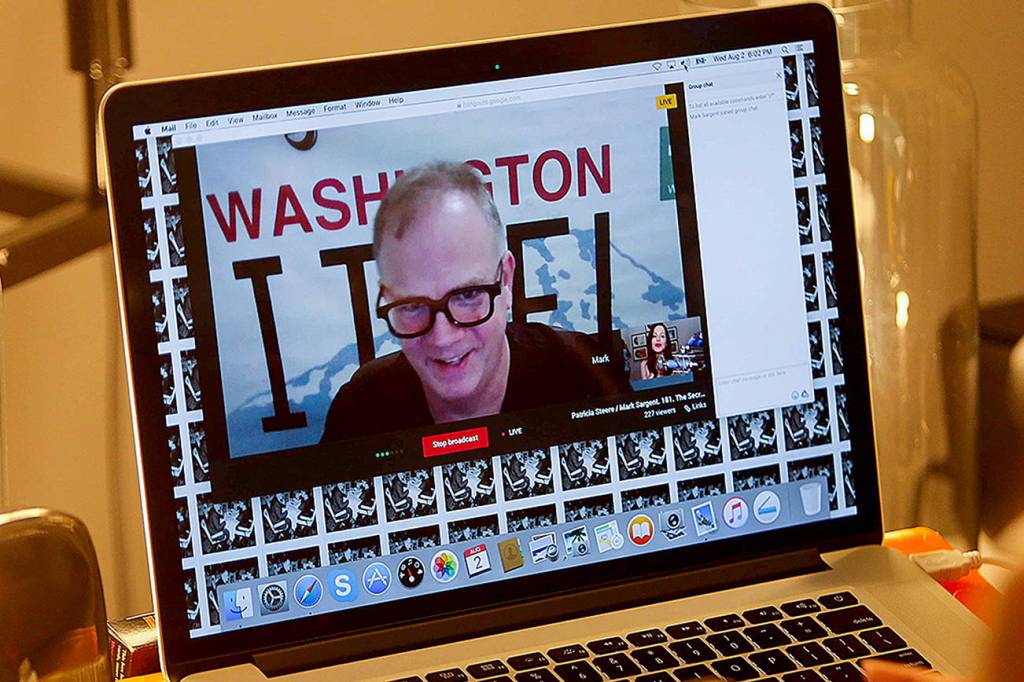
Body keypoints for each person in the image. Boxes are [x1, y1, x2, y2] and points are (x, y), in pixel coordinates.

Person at [321, 161, 628, 441]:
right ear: (388, 300)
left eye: (468, 295)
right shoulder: (359, 413)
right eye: (412, 306)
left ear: (506, 281)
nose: (443, 338)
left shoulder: (586, 378)